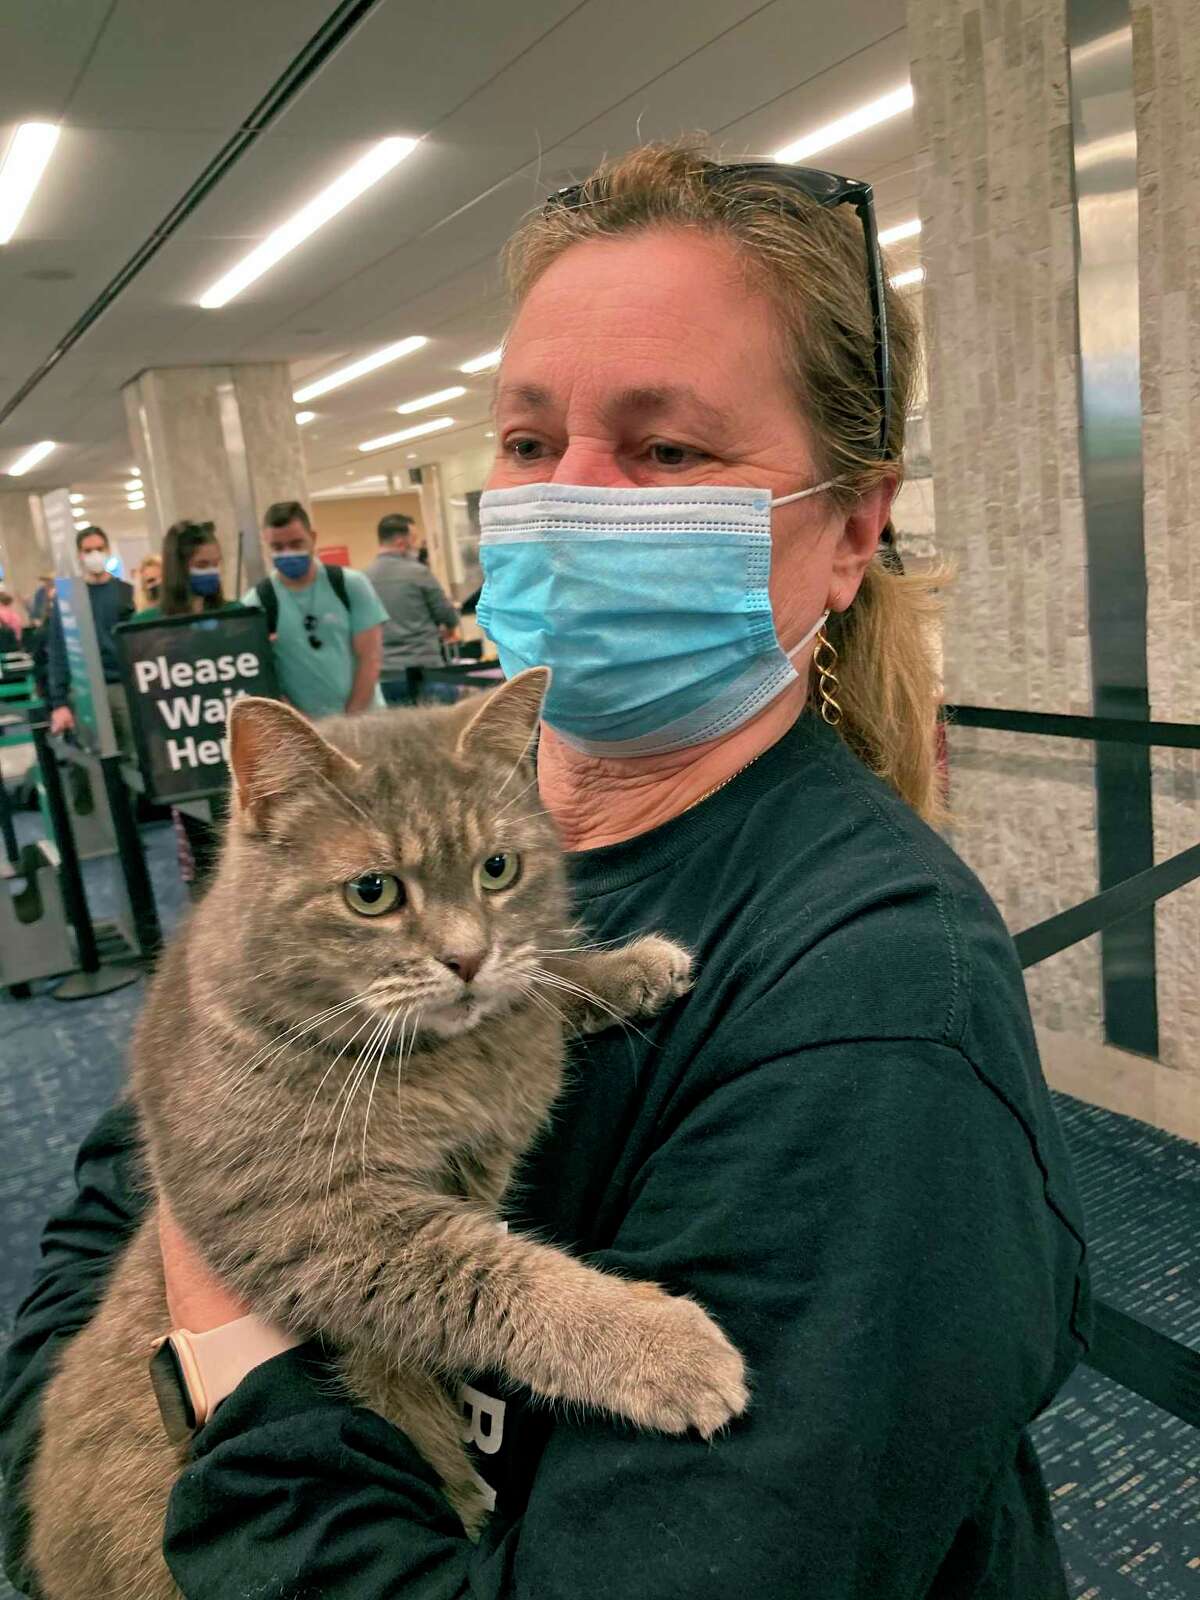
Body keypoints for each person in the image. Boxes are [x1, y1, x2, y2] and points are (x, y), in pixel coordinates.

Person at [1, 145, 1090, 1600]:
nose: (571, 499)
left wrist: (226, 1375)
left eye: (667, 452)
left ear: (851, 527)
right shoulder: (401, 824)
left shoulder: (876, 1009)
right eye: (527, 443)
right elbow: (100, 1228)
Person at [136, 520, 231, 893]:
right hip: (185, 754)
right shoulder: (147, 626)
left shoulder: (234, 614)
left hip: (230, 749)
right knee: (203, 858)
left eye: (216, 563)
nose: (212, 573)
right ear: (180, 568)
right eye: (202, 565)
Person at [243, 500, 386, 718]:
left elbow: (370, 657)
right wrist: (306, 729)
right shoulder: (258, 603)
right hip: (305, 732)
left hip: (366, 721)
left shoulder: (350, 585)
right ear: (267, 546)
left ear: (313, 538)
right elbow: (264, 680)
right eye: (278, 548)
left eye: (296, 543)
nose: (288, 553)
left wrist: (351, 721)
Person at [45, 526, 135, 743]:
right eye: (88, 550)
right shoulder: (68, 597)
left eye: (99, 548)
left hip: (123, 686)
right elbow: (58, 650)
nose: (94, 554)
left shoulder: (126, 592)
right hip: (86, 689)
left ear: (107, 550)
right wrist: (59, 702)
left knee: (133, 755)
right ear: (79, 555)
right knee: (95, 757)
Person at [367, 511, 460, 705]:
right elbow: (447, 615)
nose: (418, 546)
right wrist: (449, 629)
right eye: (415, 540)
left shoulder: (364, 578)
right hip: (427, 671)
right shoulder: (418, 573)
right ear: (402, 543)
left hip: (387, 676)